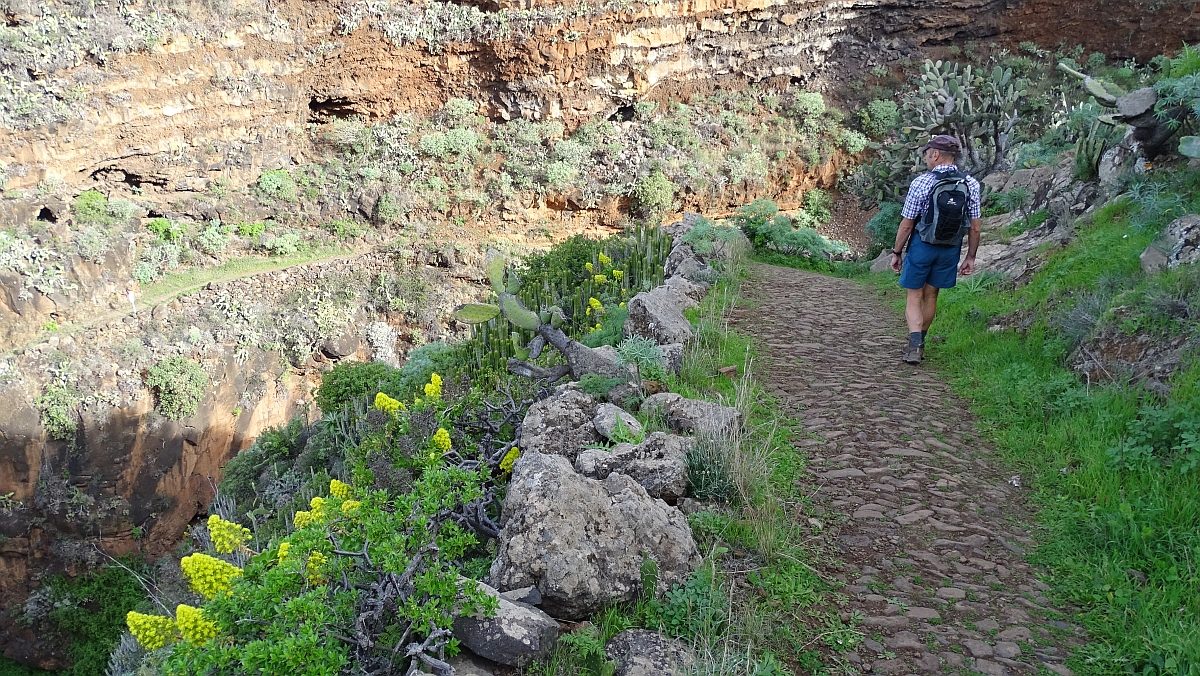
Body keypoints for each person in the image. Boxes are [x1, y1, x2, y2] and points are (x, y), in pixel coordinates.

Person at [889, 135, 981, 364]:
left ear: (935, 154)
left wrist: (897, 252)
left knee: (914, 294)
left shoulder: (922, 182)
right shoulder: (971, 183)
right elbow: (975, 227)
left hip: (923, 245)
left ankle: (914, 345)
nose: (926, 159)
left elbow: (907, 223)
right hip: (950, 247)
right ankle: (920, 341)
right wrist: (970, 257)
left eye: (927, 154)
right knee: (932, 294)